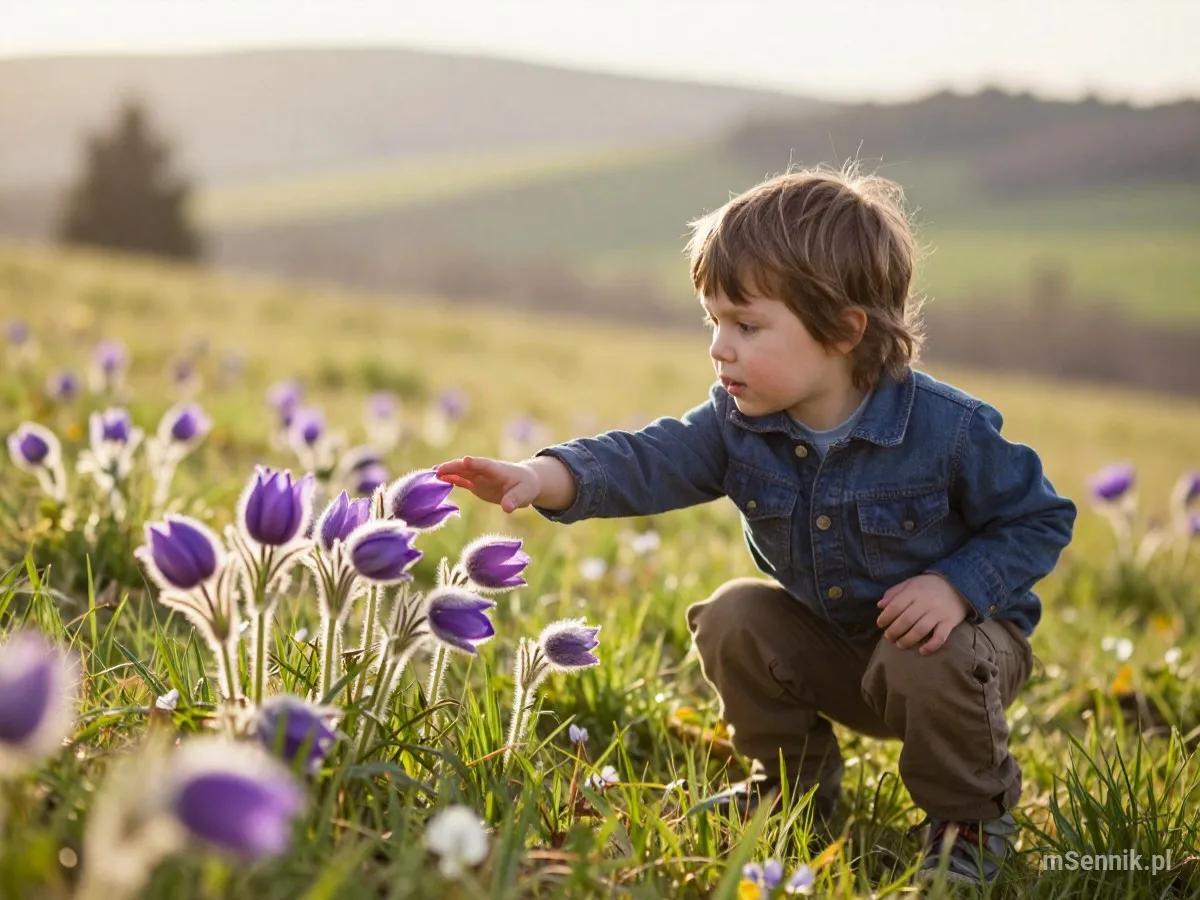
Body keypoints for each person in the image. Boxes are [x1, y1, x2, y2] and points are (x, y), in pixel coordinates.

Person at [434, 165, 1077, 886]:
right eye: (713, 320)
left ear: (842, 330)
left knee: (926, 655)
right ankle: (790, 791)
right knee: (736, 614)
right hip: (838, 648)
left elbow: (1041, 518)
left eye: (746, 324)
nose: (719, 346)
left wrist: (957, 587)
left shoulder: (948, 431)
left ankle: (968, 828)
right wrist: (539, 476)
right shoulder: (737, 425)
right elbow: (646, 458)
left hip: (957, 658)